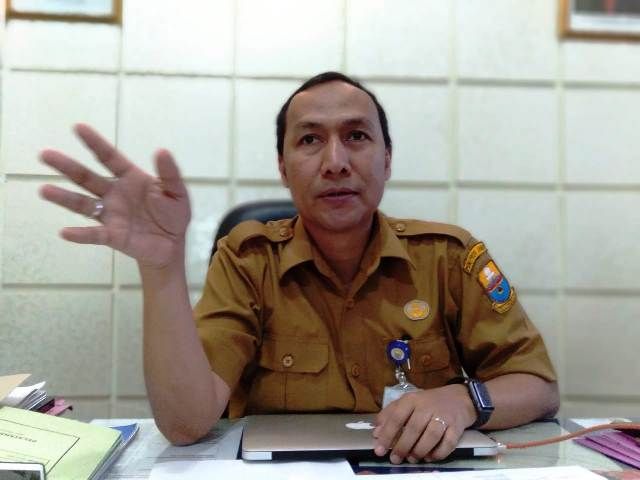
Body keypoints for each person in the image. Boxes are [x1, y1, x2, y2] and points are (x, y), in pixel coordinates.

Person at [40, 71, 559, 464]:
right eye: (310, 139)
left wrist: (464, 400)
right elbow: (184, 424)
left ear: (387, 159)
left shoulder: (447, 256)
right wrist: (162, 269)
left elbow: (538, 384)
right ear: (283, 168)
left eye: (356, 136)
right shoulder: (248, 260)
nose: (335, 162)